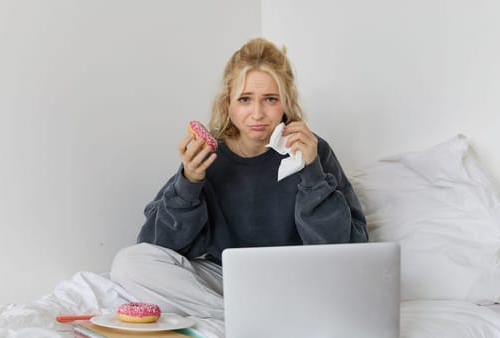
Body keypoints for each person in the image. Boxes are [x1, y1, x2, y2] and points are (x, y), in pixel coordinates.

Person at [110, 38, 368, 320]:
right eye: (245, 99)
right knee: (128, 263)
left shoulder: (312, 149)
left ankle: (256, 315)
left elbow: (348, 249)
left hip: (295, 281)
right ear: (228, 104)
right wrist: (189, 182)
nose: (257, 113)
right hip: (226, 281)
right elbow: (155, 244)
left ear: (286, 103)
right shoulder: (209, 156)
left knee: (342, 288)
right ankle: (249, 316)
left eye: (270, 99)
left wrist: (312, 172)